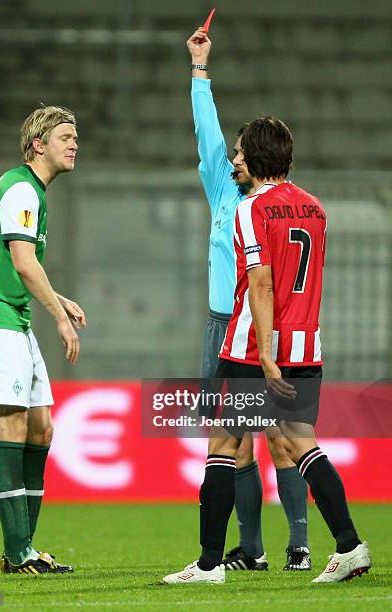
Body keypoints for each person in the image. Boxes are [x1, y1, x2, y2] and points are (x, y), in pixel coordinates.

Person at [163, 113, 372, 584]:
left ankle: (209, 565)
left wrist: (264, 357)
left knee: (222, 445)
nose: (234, 160)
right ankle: (350, 545)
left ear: (255, 158)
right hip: (306, 346)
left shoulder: (249, 209)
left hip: (254, 348)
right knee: (303, 444)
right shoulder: (316, 208)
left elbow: (261, 284)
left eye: (239, 152)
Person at [187, 27, 311, 571]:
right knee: (235, 444)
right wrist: (199, 71)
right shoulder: (223, 190)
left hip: (269, 330)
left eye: (240, 154)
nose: (231, 160)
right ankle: (251, 550)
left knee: (284, 440)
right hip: (224, 327)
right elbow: (205, 133)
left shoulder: (274, 205)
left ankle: (300, 545)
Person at [0, 105, 86, 574]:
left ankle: (24, 547)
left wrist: (60, 299)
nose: (74, 144)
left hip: (12, 318)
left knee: (40, 428)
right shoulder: (21, 189)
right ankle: (18, 552)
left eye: (76, 137)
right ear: (38, 144)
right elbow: (25, 265)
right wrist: (61, 320)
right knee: (9, 427)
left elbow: (19, 264)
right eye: (66, 136)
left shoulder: (30, 192)